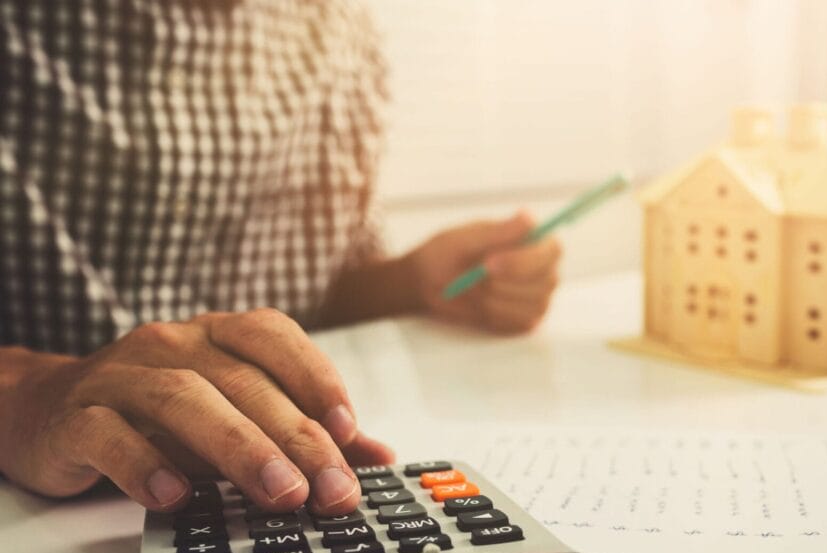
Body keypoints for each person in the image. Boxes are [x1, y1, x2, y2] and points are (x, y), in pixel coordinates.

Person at [0, 2, 560, 517]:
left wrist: (413, 282)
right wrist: (24, 391)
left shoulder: (339, 27)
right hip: (40, 514)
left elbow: (327, 288)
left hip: (266, 488)